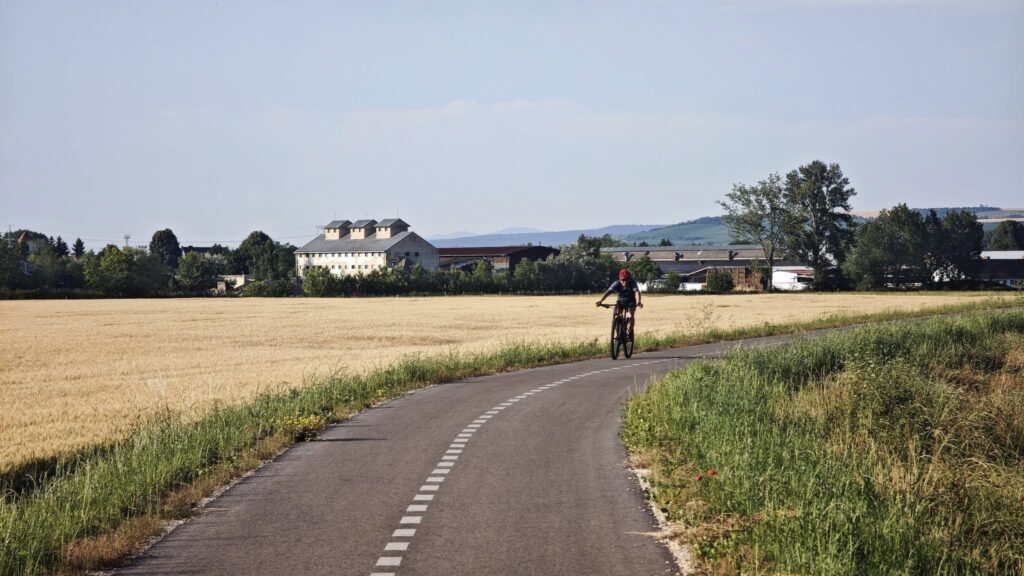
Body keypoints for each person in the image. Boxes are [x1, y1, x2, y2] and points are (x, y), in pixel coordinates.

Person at [596, 268, 643, 340]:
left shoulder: (632, 282)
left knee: (632, 314)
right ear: (620, 279)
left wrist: (638, 302)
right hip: (620, 301)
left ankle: (630, 331)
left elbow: (637, 292)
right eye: (623, 280)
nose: (625, 282)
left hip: (631, 301)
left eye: (627, 279)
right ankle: (618, 331)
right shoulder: (616, 283)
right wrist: (600, 301)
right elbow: (608, 292)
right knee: (616, 315)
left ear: (630, 278)